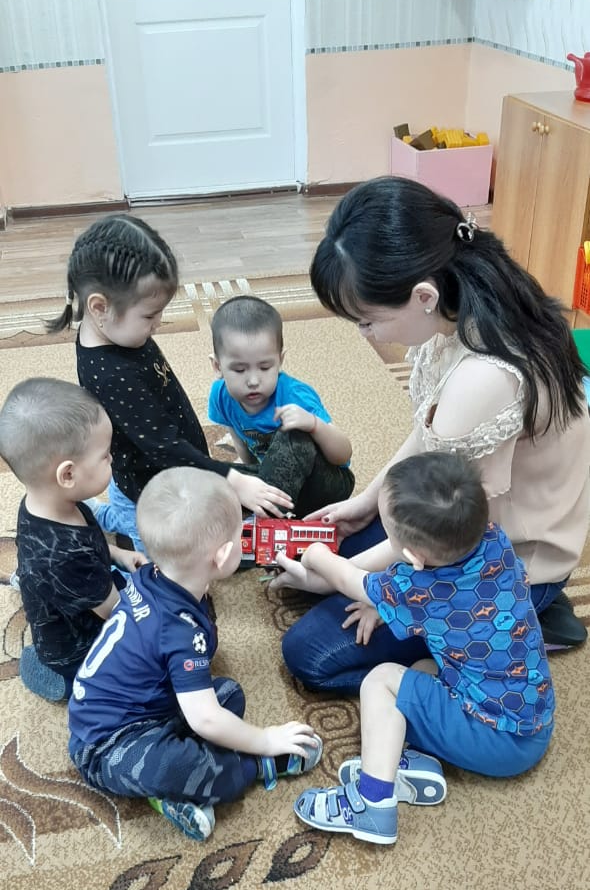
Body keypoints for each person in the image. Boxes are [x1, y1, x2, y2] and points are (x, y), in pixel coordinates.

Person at [276, 177, 590, 692]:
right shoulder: (463, 306)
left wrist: (342, 578)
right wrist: (365, 504)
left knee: (309, 653)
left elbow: (450, 531)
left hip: (502, 554)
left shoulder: (483, 377)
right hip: (458, 515)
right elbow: (429, 436)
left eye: (366, 321)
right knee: (328, 553)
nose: (364, 334)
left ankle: (530, 615)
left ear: (423, 295)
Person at [292, 452, 555, 846]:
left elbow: (350, 581)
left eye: (388, 532)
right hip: (531, 719)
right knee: (419, 669)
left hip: (497, 740)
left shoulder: (418, 588)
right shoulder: (494, 539)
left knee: (382, 681)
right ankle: (402, 762)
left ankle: (372, 804)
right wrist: (386, 605)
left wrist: (316, 555)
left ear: (414, 557)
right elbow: (439, 600)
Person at [68, 468, 322, 843]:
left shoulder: (156, 576)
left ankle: (174, 790)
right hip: (107, 746)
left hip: (150, 709)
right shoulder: (179, 629)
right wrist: (266, 739)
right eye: (241, 535)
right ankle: (255, 766)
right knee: (195, 757)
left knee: (229, 695)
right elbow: (204, 718)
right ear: (222, 556)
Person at [47, 214, 293, 552]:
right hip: (149, 494)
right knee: (166, 565)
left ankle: (108, 514)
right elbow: (164, 448)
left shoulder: (117, 331)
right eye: (150, 315)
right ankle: (113, 518)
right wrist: (232, 479)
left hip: (168, 465)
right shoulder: (111, 374)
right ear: (100, 307)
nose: (159, 323)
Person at [0, 378, 146, 702]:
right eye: (105, 456)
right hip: (74, 647)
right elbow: (117, 613)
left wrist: (117, 554)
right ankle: (59, 678)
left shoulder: (49, 502)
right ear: (68, 474)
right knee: (137, 670)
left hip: (79, 589)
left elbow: (89, 542)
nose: (113, 459)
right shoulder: (64, 556)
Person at [208, 295, 354, 515]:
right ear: (218, 366)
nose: (253, 381)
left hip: (324, 486)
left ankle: (265, 518)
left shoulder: (295, 396)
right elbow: (241, 444)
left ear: (280, 360)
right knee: (205, 473)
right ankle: (263, 510)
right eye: (239, 370)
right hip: (275, 486)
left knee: (294, 435)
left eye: (265, 367)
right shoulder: (221, 395)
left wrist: (314, 424)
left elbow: (343, 455)